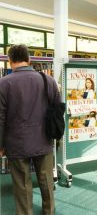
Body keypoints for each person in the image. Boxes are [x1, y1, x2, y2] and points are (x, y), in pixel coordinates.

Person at [0, 44, 60, 214]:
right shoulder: (47, 80)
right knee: (46, 180)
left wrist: (1, 144)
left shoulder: (3, 83)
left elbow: (0, 118)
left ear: (9, 61)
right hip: (44, 138)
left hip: (16, 142)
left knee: (22, 185)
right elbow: (57, 108)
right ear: (29, 60)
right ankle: (49, 211)